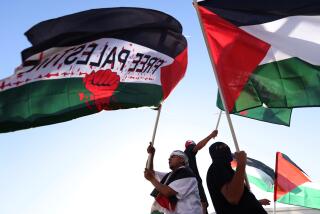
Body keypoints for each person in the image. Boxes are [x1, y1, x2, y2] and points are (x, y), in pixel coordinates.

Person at [206, 142, 270, 214]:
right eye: (221, 147)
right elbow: (233, 197)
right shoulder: (216, 168)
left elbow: (237, 201)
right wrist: (241, 164)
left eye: (227, 146)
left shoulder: (229, 171)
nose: (226, 149)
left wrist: (256, 202)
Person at [144, 144, 202, 214]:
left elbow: (168, 192)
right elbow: (150, 172)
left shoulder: (186, 173)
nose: (169, 159)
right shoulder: (170, 176)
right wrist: (151, 154)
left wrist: (151, 179)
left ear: (181, 159)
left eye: (173, 156)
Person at [184, 130, 218, 214]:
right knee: (202, 205)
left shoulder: (183, 159)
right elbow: (197, 147)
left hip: (187, 186)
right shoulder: (188, 151)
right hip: (194, 183)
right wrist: (210, 136)